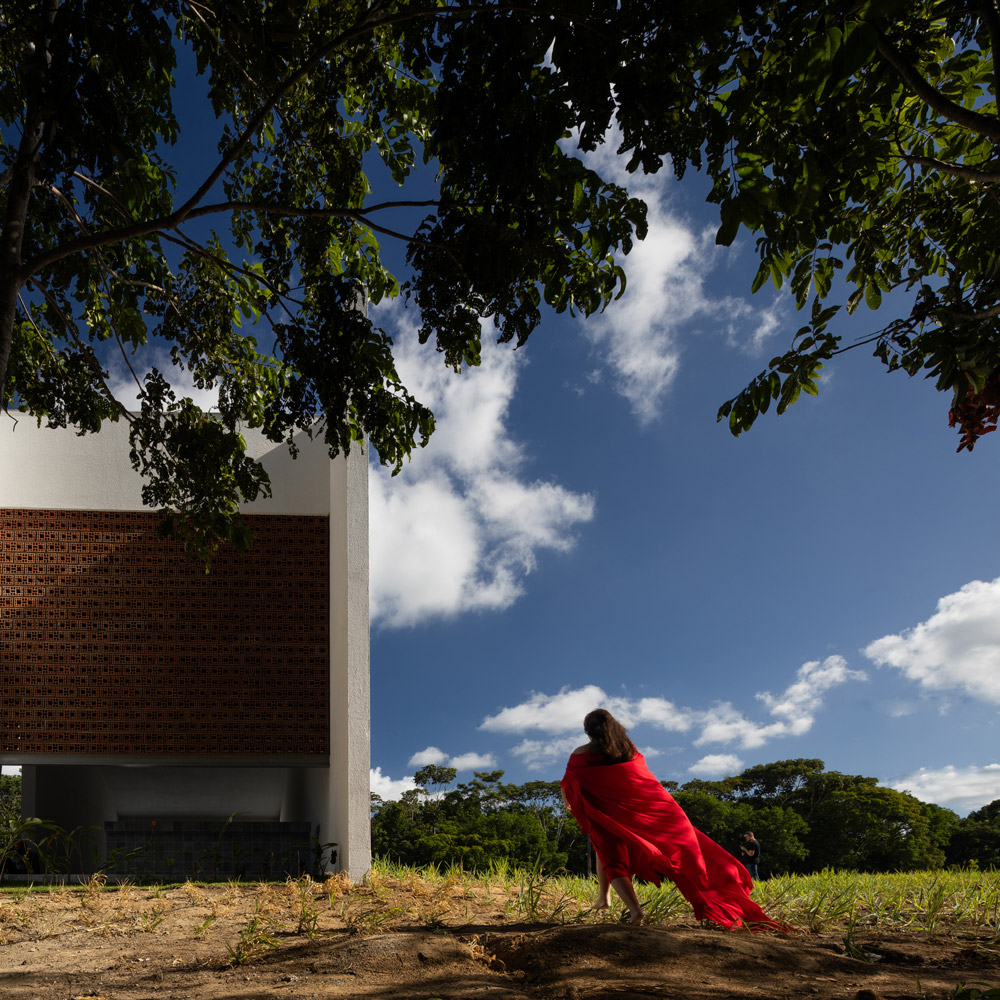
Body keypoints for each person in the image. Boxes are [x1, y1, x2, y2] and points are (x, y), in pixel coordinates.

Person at [560, 709, 785, 931]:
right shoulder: (628, 749)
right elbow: (639, 778)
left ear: (588, 731)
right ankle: (604, 897)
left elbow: (569, 782)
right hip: (648, 811)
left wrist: (569, 802)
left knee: (611, 856)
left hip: (612, 814)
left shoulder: (581, 754)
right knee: (605, 850)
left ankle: (635, 910)